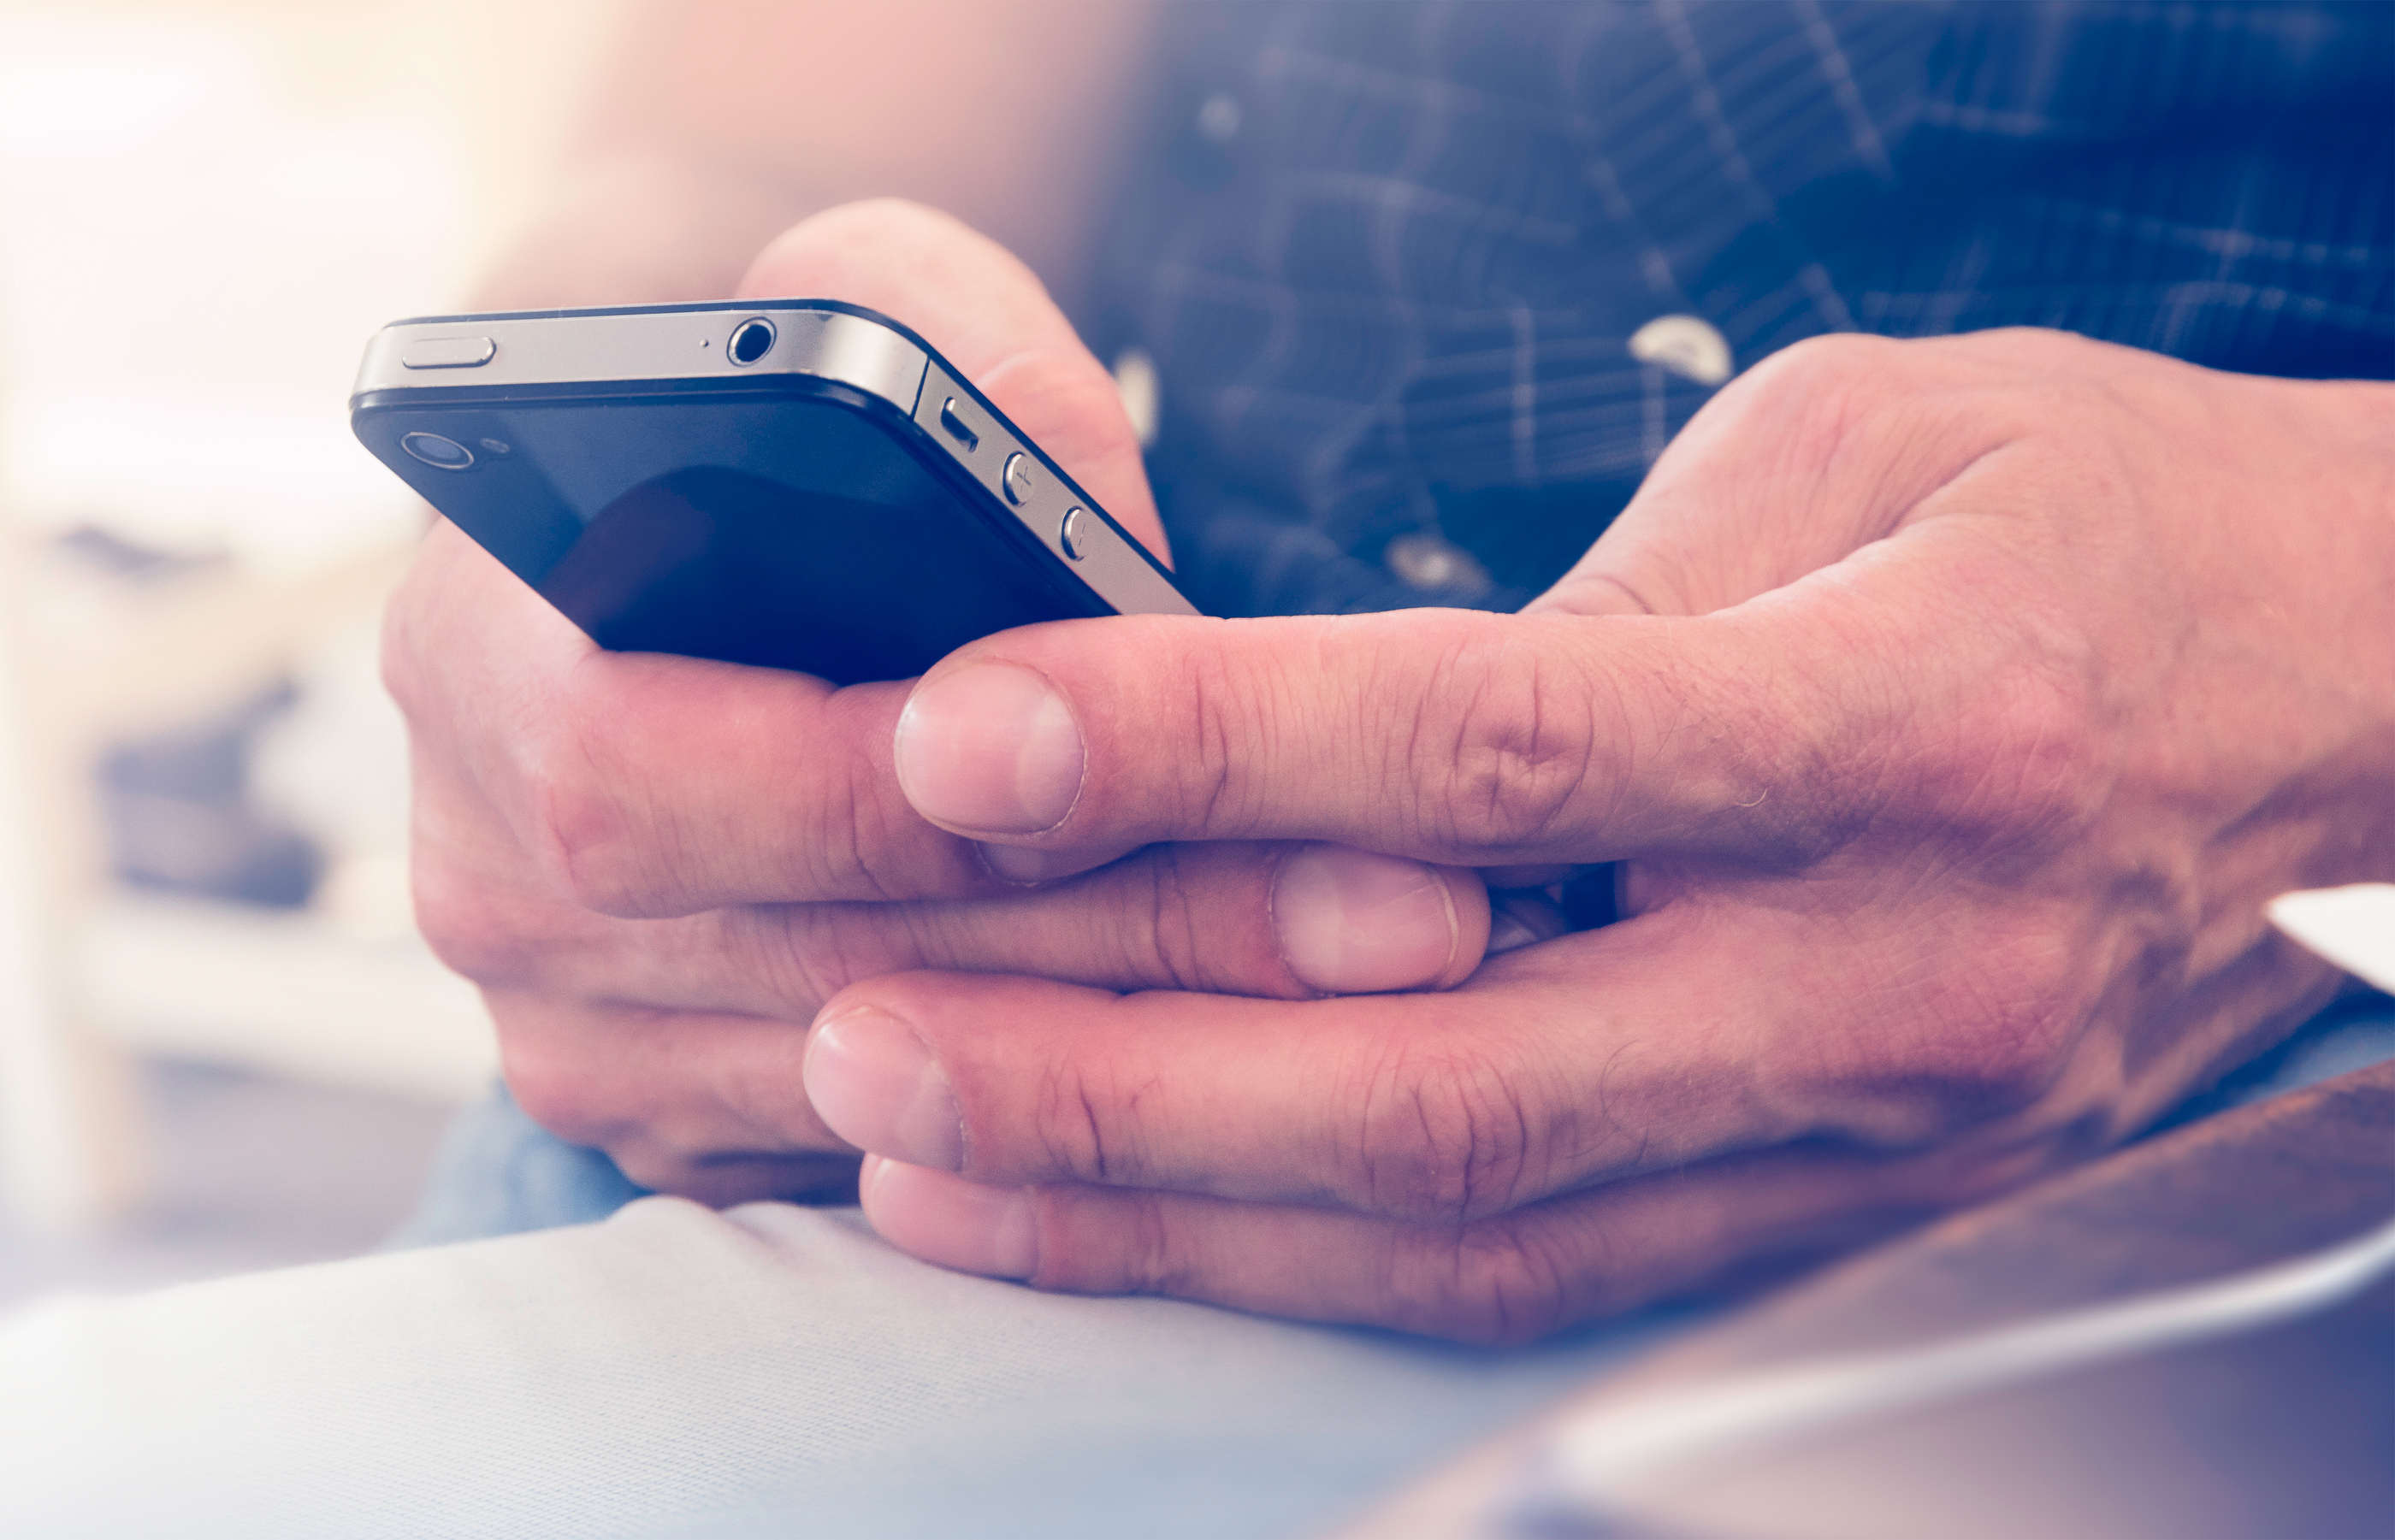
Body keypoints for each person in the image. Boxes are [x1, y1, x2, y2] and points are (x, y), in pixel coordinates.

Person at [9, 3, 2386, 1534]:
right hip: (886, 1076)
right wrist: (651, 404)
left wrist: (2323, 622)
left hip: (2189, 1136)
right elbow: (749, 115)